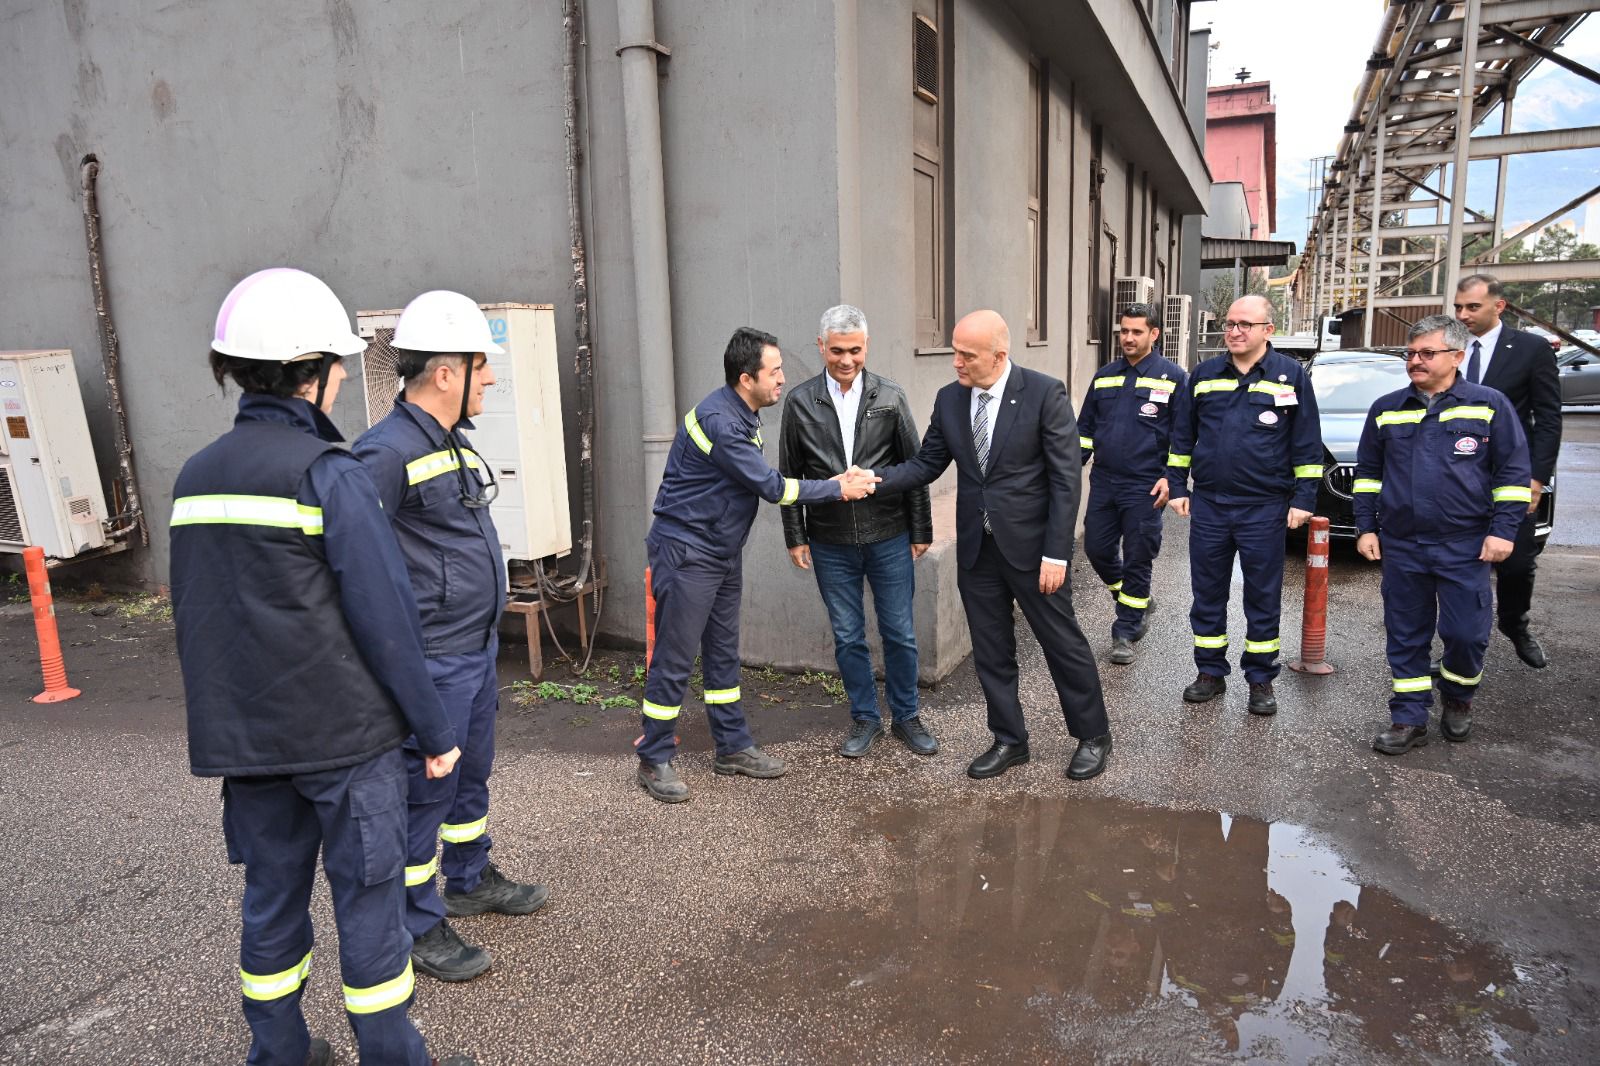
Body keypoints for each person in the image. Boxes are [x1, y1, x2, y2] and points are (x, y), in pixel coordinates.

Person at [171, 268, 474, 1066]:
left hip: (250, 744)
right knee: (369, 906)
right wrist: (433, 730)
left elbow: (199, 616)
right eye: (338, 366)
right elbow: (386, 617)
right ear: (314, 373)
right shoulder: (326, 475)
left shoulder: (194, 479)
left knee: (271, 902)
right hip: (345, 742)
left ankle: (278, 1053)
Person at [354, 291, 547, 986]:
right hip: (433, 659)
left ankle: (468, 877)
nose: (490, 378)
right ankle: (417, 921)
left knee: (469, 776)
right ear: (446, 373)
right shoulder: (384, 453)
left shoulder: (447, 440)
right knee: (424, 794)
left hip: (472, 649)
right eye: (480, 366)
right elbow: (353, 563)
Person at [868, 309, 1113, 781]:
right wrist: (873, 480)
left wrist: (1057, 553)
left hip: (1034, 551)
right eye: (954, 352)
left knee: (1062, 644)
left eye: (967, 355)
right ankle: (1009, 739)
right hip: (978, 551)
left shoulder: (1044, 393)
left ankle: (1093, 735)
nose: (956, 362)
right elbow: (926, 464)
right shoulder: (950, 399)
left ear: (999, 356)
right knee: (991, 650)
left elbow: (1066, 481)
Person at [637, 327, 879, 802]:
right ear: (746, 378)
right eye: (775, 372)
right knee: (674, 659)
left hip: (719, 552)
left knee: (723, 654)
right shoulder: (723, 423)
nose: (783, 379)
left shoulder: (741, 413)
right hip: (688, 555)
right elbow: (773, 487)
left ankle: (731, 747)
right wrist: (837, 488)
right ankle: (654, 757)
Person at [1354, 315, 1531, 755]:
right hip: (1403, 544)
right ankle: (1408, 716)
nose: (1416, 361)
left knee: (1466, 633)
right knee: (1405, 633)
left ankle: (1458, 697)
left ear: (1457, 356)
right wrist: (1366, 527)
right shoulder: (1387, 408)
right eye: (1411, 353)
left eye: (1427, 353)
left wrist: (1503, 531)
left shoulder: (1489, 404)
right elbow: (1368, 476)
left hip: (1465, 544)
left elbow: (1512, 475)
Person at [778, 305, 937, 758]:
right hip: (829, 541)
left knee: (900, 633)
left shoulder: (891, 396)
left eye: (854, 350)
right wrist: (796, 535)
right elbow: (789, 474)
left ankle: (906, 715)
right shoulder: (800, 402)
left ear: (866, 345)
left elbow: (915, 467)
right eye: (837, 351)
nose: (846, 360)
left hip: (889, 535)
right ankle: (865, 718)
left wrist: (920, 528)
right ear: (821, 347)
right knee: (848, 636)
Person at [1165, 293, 1323, 716]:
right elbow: (1182, 437)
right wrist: (1177, 486)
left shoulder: (1290, 376)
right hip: (1211, 505)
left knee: (1262, 595)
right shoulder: (1203, 375)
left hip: (1264, 507)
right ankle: (1209, 672)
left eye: (1245, 324)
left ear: (1268, 330)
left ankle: (1260, 679)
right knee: (1207, 592)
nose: (1234, 331)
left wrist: (1303, 499)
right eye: (1230, 324)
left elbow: (1307, 443)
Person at [1452, 273, 1562, 668]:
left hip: (1510, 473)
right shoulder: (1448, 345)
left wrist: (1537, 478)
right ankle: (1455, 645)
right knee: (1456, 564)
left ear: (1499, 306)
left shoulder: (1531, 349)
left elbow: (1547, 418)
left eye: (1472, 307)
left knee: (1516, 563)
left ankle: (1515, 624)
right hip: (1456, 473)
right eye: (1458, 307)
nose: (1463, 315)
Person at [1076, 303, 1188, 664]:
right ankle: (1133, 598)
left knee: (1139, 555)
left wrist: (1172, 479)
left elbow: (1184, 437)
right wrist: (1067, 468)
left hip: (1146, 485)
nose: (1128, 337)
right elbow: (1084, 430)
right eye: (1124, 330)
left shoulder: (1173, 378)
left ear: (1154, 334)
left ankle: (1126, 628)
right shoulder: (1105, 376)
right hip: (1105, 481)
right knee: (1096, 548)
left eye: (1136, 331)